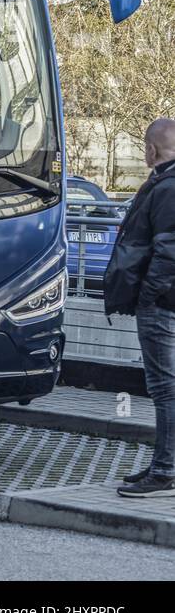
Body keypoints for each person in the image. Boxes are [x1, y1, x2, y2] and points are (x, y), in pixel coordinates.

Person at [104, 117, 175, 497]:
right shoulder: (164, 183)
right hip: (163, 301)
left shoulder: (167, 187)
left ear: (150, 150)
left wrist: (148, 295)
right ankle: (164, 462)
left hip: (161, 305)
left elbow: (168, 251)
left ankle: (164, 470)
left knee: (164, 388)